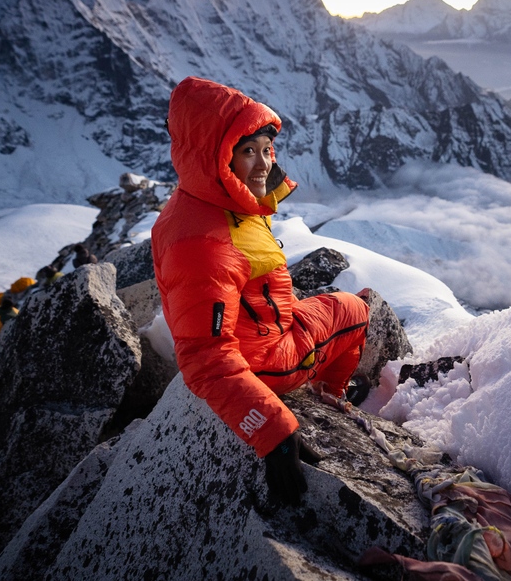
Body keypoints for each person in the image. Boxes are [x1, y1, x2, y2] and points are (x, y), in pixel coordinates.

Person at [151, 77, 369, 506]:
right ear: (215, 157)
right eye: (248, 151)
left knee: (325, 303)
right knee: (355, 310)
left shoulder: (204, 199)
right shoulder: (204, 246)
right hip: (265, 364)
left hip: (263, 327)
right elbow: (205, 359)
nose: (265, 163)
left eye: (267, 149)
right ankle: (330, 393)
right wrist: (272, 432)